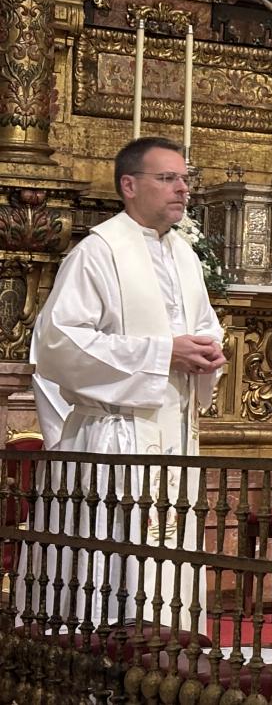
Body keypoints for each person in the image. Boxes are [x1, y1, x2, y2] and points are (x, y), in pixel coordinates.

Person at [30, 135, 226, 625]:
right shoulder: (98, 252)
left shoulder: (183, 255)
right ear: (129, 185)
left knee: (167, 572)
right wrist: (163, 354)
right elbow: (59, 344)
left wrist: (207, 354)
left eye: (185, 179)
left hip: (173, 434)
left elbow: (203, 327)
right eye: (168, 179)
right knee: (114, 570)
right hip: (113, 440)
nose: (183, 189)